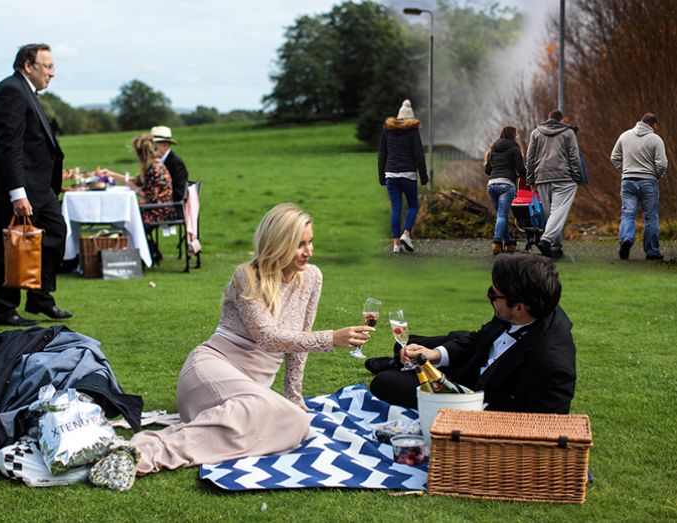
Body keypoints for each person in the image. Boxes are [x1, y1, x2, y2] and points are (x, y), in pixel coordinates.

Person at [88, 203, 375, 491]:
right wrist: (330, 338)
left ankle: (215, 430)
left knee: (296, 422)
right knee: (272, 415)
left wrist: (294, 396)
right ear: (279, 243)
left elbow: (297, 344)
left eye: (310, 242)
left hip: (251, 392)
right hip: (211, 370)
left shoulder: (312, 277)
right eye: (299, 244)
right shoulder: (246, 276)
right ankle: (139, 453)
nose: (309, 251)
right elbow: (268, 338)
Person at [366, 254, 576, 414]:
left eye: (493, 294)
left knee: (384, 382)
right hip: (475, 360)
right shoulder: (531, 304)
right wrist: (434, 354)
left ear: (519, 307)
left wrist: (468, 408)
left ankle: (401, 368)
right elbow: (480, 338)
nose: (489, 296)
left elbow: (545, 422)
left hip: (474, 398)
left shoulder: (551, 365)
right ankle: (406, 363)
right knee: (405, 345)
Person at [0, 43, 72, 327]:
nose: (52, 73)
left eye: (53, 67)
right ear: (27, 66)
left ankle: (39, 297)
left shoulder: (26, 91)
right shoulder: (10, 91)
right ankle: (3, 310)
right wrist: (17, 193)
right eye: (47, 66)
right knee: (9, 245)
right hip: (17, 188)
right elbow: (9, 146)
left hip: (40, 187)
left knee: (56, 232)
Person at [525, 110, 583, 259]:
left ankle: (555, 247)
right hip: (563, 177)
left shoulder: (536, 133)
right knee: (558, 211)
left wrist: (530, 179)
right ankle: (545, 240)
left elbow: (530, 157)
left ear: (548, 119)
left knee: (549, 214)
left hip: (542, 177)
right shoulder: (568, 133)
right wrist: (577, 176)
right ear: (562, 120)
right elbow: (574, 156)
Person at [610, 113, 668, 261]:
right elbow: (662, 163)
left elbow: (614, 157)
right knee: (651, 216)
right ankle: (652, 252)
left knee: (628, 214)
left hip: (628, 181)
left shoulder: (625, 136)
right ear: (654, 125)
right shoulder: (656, 139)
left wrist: (624, 170)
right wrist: (656, 175)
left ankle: (626, 239)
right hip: (648, 182)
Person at [377, 100, 429, 254]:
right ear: (411, 118)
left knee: (396, 207)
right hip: (408, 175)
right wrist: (424, 176)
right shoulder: (412, 131)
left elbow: (382, 154)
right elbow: (419, 155)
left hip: (391, 175)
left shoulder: (388, 131)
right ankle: (406, 234)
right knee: (413, 205)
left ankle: (396, 244)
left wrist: (381, 177)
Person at [484, 126, 526, 255]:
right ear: (513, 135)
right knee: (502, 215)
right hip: (506, 185)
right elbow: (521, 170)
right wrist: (518, 175)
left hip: (492, 184)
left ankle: (508, 243)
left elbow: (487, 169)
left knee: (501, 216)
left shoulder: (493, 148)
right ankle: (497, 243)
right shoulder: (515, 148)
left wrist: (496, 173)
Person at [151, 125, 189, 224]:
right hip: (160, 205)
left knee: (138, 215)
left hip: (172, 209)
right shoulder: (157, 161)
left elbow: (178, 194)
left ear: (165, 144)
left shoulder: (176, 163)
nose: (151, 148)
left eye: (154, 144)